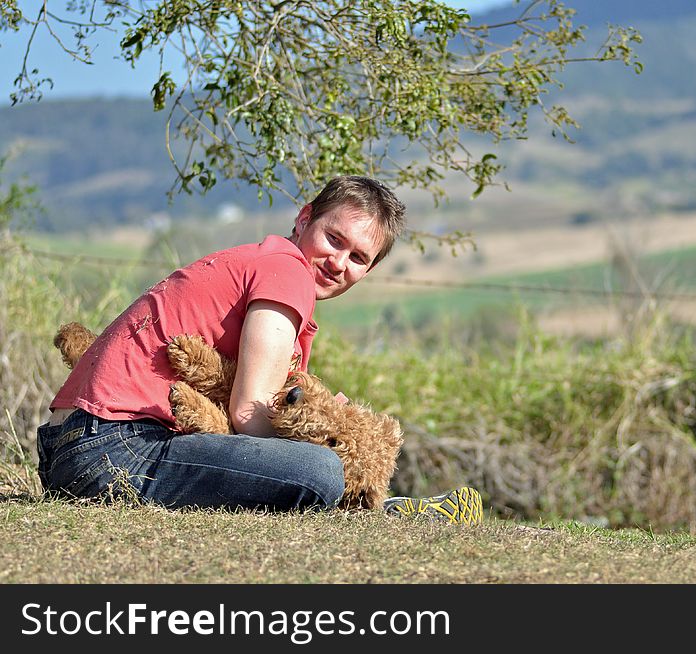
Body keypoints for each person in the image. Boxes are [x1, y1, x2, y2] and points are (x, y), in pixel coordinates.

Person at [36, 175, 482, 524]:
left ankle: (381, 507)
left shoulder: (266, 265)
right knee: (322, 471)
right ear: (304, 219)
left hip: (74, 447)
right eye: (334, 239)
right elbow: (249, 414)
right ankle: (378, 509)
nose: (339, 263)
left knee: (314, 466)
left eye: (359, 258)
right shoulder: (286, 272)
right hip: (110, 449)